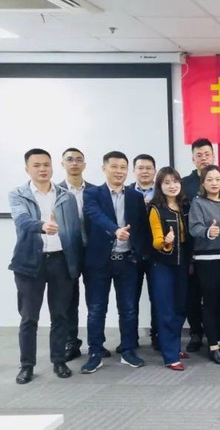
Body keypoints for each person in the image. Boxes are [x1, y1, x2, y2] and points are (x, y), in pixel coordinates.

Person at [9, 149, 82, 384]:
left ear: (52, 166)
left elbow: (74, 231)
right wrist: (42, 226)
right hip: (30, 262)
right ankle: (26, 365)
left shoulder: (66, 196)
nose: (42, 169)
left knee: (60, 315)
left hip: (60, 261)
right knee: (29, 317)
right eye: (37, 165)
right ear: (27, 169)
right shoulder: (18, 194)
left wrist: (75, 262)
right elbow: (21, 220)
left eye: (46, 164)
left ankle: (59, 360)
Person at [81, 151, 149, 374]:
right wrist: (115, 230)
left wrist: (139, 253)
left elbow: (141, 227)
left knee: (128, 309)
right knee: (96, 309)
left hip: (127, 261)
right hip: (99, 262)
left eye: (123, 167)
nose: (119, 171)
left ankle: (128, 350)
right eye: (114, 167)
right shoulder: (92, 194)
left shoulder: (135, 197)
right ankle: (95, 352)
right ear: (104, 168)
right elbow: (95, 215)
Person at [181, 138, 220, 353]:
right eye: (199, 155)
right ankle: (201, 336)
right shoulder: (186, 186)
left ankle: (218, 340)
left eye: (207, 154)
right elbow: (192, 225)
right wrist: (206, 232)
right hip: (198, 253)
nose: (214, 183)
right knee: (198, 298)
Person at [58, 147, 100, 362]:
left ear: (84, 164)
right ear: (62, 164)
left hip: (92, 251)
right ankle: (70, 342)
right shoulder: (55, 192)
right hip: (67, 252)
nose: (74, 163)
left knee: (96, 300)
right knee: (69, 299)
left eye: (78, 159)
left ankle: (96, 344)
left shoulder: (95, 191)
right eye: (70, 159)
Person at [147, 167, 191, 371]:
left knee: (181, 307)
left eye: (175, 181)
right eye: (167, 182)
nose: (172, 186)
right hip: (162, 265)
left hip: (182, 264)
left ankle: (174, 346)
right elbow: (156, 241)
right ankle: (170, 356)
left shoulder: (185, 206)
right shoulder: (155, 208)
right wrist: (166, 241)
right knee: (166, 310)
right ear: (160, 186)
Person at [129, 154, 158, 352]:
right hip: (132, 254)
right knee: (130, 299)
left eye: (148, 168)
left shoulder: (163, 192)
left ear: (155, 171)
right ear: (134, 171)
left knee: (157, 298)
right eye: (140, 168)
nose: (145, 171)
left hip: (157, 253)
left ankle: (158, 336)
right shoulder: (126, 193)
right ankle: (130, 339)